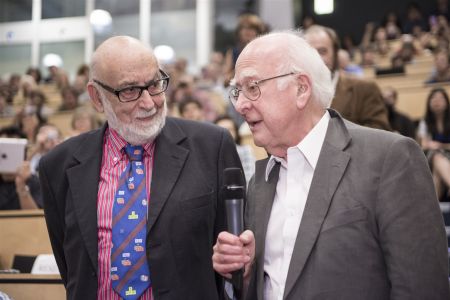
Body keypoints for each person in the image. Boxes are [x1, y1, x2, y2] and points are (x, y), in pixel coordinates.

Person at [212, 31, 450, 300]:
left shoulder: (389, 159)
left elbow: (423, 288)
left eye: (252, 87)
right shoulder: (259, 182)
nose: (241, 105)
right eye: (237, 91)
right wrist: (244, 275)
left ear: (301, 88)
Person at [39, 36, 242, 300]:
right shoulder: (58, 165)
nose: (149, 103)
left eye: (155, 84)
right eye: (130, 91)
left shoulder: (212, 146)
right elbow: (70, 264)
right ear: (97, 98)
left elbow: (235, 257)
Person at [304, 25, 391, 131]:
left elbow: (380, 136)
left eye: (322, 51)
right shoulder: (295, 94)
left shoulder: (364, 88)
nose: (316, 58)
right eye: (310, 52)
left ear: (335, 54)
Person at [417, 87, 450, 200]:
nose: (437, 101)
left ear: (446, 102)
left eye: (440, 98)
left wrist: (440, 145)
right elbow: (424, 145)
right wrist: (435, 146)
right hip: (431, 156)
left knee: (437, 171)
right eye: (433, 98)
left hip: (447, 155)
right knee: (437, 157)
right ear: (429, 102)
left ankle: (434, 209)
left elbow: (434, 144)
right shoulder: (425, 121)